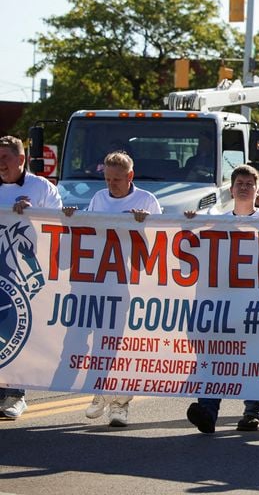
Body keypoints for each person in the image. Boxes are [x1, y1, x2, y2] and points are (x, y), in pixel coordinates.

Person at [63, 151, 161, 426]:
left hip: (130, 285)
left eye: (116, 179)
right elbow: (90, 234)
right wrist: (73, 217)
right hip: (99, 282)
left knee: (120, 344)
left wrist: (145, 224)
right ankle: (99, 392)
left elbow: (161, 244)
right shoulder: (99, 198)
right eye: (107, 179)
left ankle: (120, 403)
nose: (111, 184)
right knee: (98, 342)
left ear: (130, 176)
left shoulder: (146, 200)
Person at [184, 165, 259, 434]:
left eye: (250, 183)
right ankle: (208, 412)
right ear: (232, 189)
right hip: (219, 303)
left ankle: (252, 411)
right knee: (213, 354)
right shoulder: (216, 222)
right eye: (240, 183)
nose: (245, 187)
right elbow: (188, 251)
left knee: (253, 355)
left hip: (254, 303)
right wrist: (189, 224)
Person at [0, 135, 62, 419]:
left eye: (5, 158)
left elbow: (62, 224)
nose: (0, 164)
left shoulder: (41, 188)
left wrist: (35, 213)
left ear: (21, 159)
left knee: (15, 331)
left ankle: (15, 395)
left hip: (21, 275)